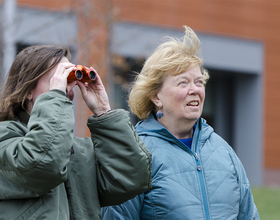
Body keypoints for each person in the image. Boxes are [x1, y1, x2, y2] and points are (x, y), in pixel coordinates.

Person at [101, 26, 260, 219]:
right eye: (183, 82)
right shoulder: (135, 154)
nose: (194, 90)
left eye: (199, 82)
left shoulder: (224, 151)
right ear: (155, 96)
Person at [0, 45, 152, 220]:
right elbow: (42, 164)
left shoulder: (79, 150)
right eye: (58, 79)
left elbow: (130, 179)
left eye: (69, 80)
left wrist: (104, 112)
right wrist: (56, 95)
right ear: (27, 91)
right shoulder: (5, 137)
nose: (67, 89)